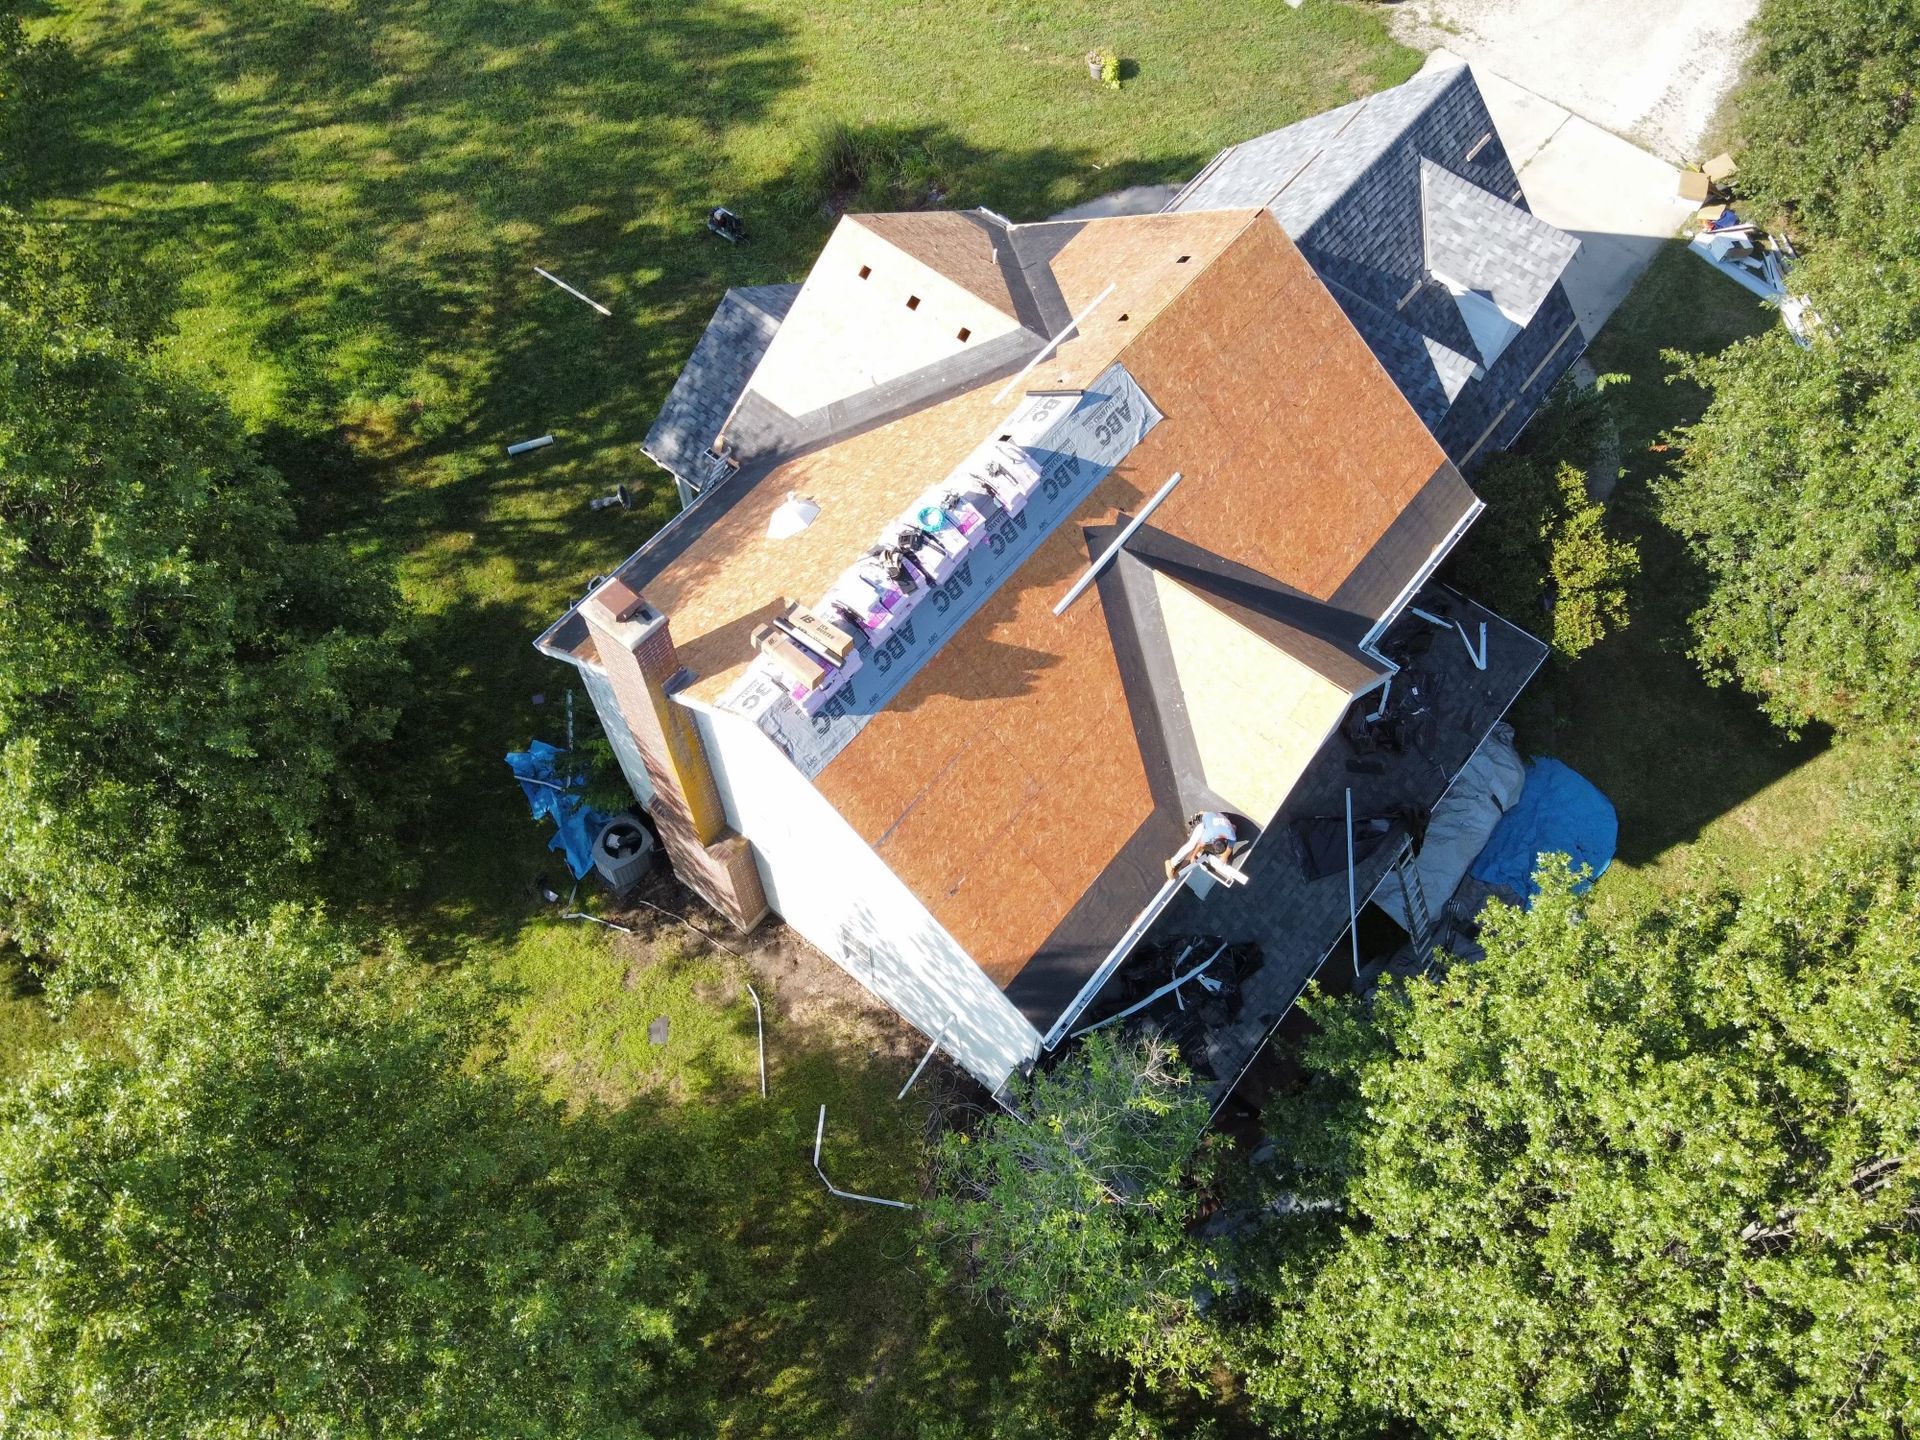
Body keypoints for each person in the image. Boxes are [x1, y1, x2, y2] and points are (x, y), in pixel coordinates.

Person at [1165, 811, 1242, 882]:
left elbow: (1230, 847)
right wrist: (1193, 856)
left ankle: (1228, 823)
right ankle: (1171, 863)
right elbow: (1200, 845)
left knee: (1234, 828)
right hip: (1205, 821)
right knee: (1191, 845)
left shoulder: (1231, 834)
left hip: (1216, 817)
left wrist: (1225, 857)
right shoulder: (1209, 834)